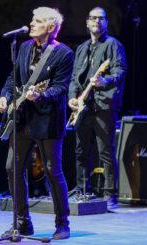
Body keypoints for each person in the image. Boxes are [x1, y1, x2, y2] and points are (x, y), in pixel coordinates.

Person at [0, 7, 74, 240]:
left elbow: (60, 87)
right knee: (12, 168)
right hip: (22, 120)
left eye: (38, 21)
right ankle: (22, 222)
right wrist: (5, 95)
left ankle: (63, 223)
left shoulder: (64, 54)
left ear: (51, 28)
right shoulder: (23, 47)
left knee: (53, 171)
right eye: (32, 19)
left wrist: (41, 95)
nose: (31, 24)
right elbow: (14, 78)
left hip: (48, 121)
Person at [68, 7, 127, 210]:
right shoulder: (82, 48)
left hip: (103, 105)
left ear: (106, 22)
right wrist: (72, 99)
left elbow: (119, 71)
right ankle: (83, 189)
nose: (97, 22)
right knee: (81, 150)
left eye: (101, 19)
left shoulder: (112, 45)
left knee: (105, 151)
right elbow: (75, 78)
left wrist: (104, 81)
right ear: (87, 22)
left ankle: (110, 194)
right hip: (83, 107)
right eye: (93, 18)